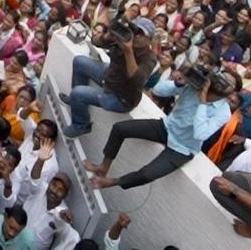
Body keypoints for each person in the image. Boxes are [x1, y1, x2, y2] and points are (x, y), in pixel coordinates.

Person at [88, 67, 238, 191]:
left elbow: (200, 134)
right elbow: (157, 91)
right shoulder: (194, 86)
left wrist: (203, 101)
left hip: (183, 148)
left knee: (147, 174)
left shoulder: (224, 112)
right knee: (120, 128)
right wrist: (177, 84)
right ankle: (103, 167)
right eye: (222, 77)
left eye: (228, 83)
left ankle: (112, 182)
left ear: (231, 91)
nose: (222, 82)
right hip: (166, 127)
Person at [64, 17, 158, 137]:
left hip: (120, 97)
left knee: (78, 93)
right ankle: (75, 103)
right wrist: (108, 35)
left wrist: (128, 51)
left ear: (149, 40)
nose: (137, 35)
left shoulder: (149, 58)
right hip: (109, 76)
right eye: (135, 30)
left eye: (141, 33)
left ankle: (81, 125)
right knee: (79, 61)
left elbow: (136, 81)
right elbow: (95, 42)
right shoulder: (122, 39)